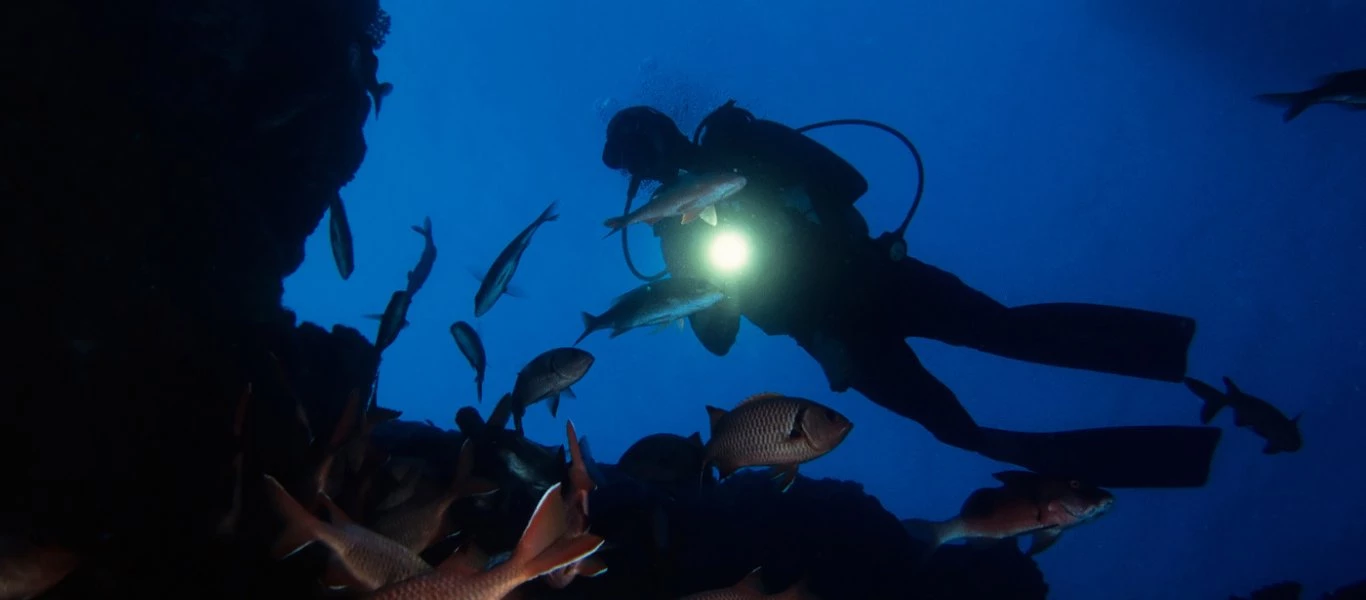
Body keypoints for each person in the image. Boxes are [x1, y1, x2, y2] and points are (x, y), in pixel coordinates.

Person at [599, 100, 1222, 488]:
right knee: (954, 427)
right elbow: (717, 338)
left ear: (666, 126)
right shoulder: (672, 235)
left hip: (876, 275)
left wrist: (777, 185)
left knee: (1005, 330)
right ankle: (1153, 463)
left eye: (643, 143)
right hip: (835, 335)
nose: (647, 163)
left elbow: (852, 180)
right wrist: (727, 293)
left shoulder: (744, 143)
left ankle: (1168, 348)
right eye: (633, 160)